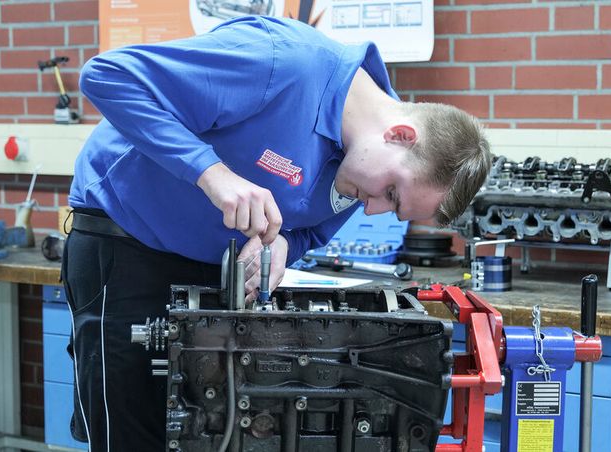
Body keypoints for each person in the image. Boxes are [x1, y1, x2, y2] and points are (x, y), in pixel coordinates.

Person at [62, 15, 491, 452]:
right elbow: (107, 77)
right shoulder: (280, 63)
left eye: (394, 210)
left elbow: (311, 231)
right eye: (392, 193)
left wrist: (286, 243)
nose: (374, 208)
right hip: (126, 248)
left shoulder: (361, 165)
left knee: (205, 436)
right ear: (399, 135)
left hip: (212, 280)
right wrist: (211, 173)